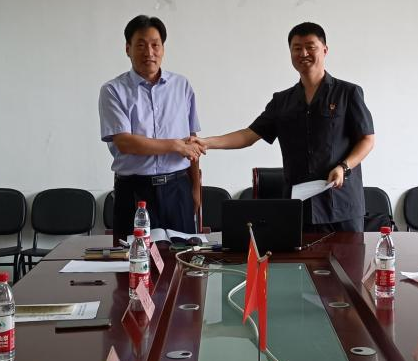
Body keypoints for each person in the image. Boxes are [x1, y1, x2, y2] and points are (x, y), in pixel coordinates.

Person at [199, 22, 375, 233]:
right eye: (297, 48)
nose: (304, 53)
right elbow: (248, 135)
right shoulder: (282, 101)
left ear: (325, 50)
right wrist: (206, 143)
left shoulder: (348, 93)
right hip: (300, 206)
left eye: (310, 47)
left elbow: (367, 139)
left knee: (348, 256)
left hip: (341, 203)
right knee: (300, 256)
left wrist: (344, 167)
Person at [98, 15, 203, 241]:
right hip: (135, 192)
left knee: (183, 256)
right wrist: (175, 145)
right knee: (133, 257)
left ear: (163, 48)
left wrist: (195, 188)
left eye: (155, 45)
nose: (149, 52)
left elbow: (192, 141)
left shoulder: (181, 86)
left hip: (178, 189)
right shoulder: (113, 90)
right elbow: (125, 142)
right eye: (141, 45)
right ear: (128, 49)